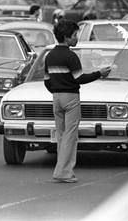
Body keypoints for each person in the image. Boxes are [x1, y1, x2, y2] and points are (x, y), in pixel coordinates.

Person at [44, 20, 111, 183]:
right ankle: (63, 172)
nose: (77, 38)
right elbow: (80, 78)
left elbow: (47, 81)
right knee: (70, 136)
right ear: (66, 37)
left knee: (61, 135)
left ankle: (62, 169)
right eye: (74, 35)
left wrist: (56, 91)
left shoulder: (49, 56)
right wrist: (99, 73)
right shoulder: (71, 56)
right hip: (71, 98)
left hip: (56, 98)